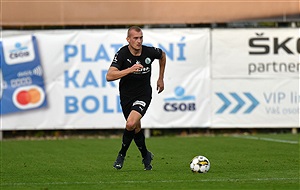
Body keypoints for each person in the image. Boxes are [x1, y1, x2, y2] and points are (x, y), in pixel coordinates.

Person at [106, 26, 166, 170]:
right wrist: (129, 69)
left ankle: (121, 154)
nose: (139, 41)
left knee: (130, 124)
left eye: (141, 38)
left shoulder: (149, 52)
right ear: (128, 40)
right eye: (135, 38)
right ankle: (146, 155)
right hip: (126, 96)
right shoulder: (122, 54)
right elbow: (109, 76)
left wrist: (161, 78)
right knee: (136, 127)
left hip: (143, 94)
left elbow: (162, 55)